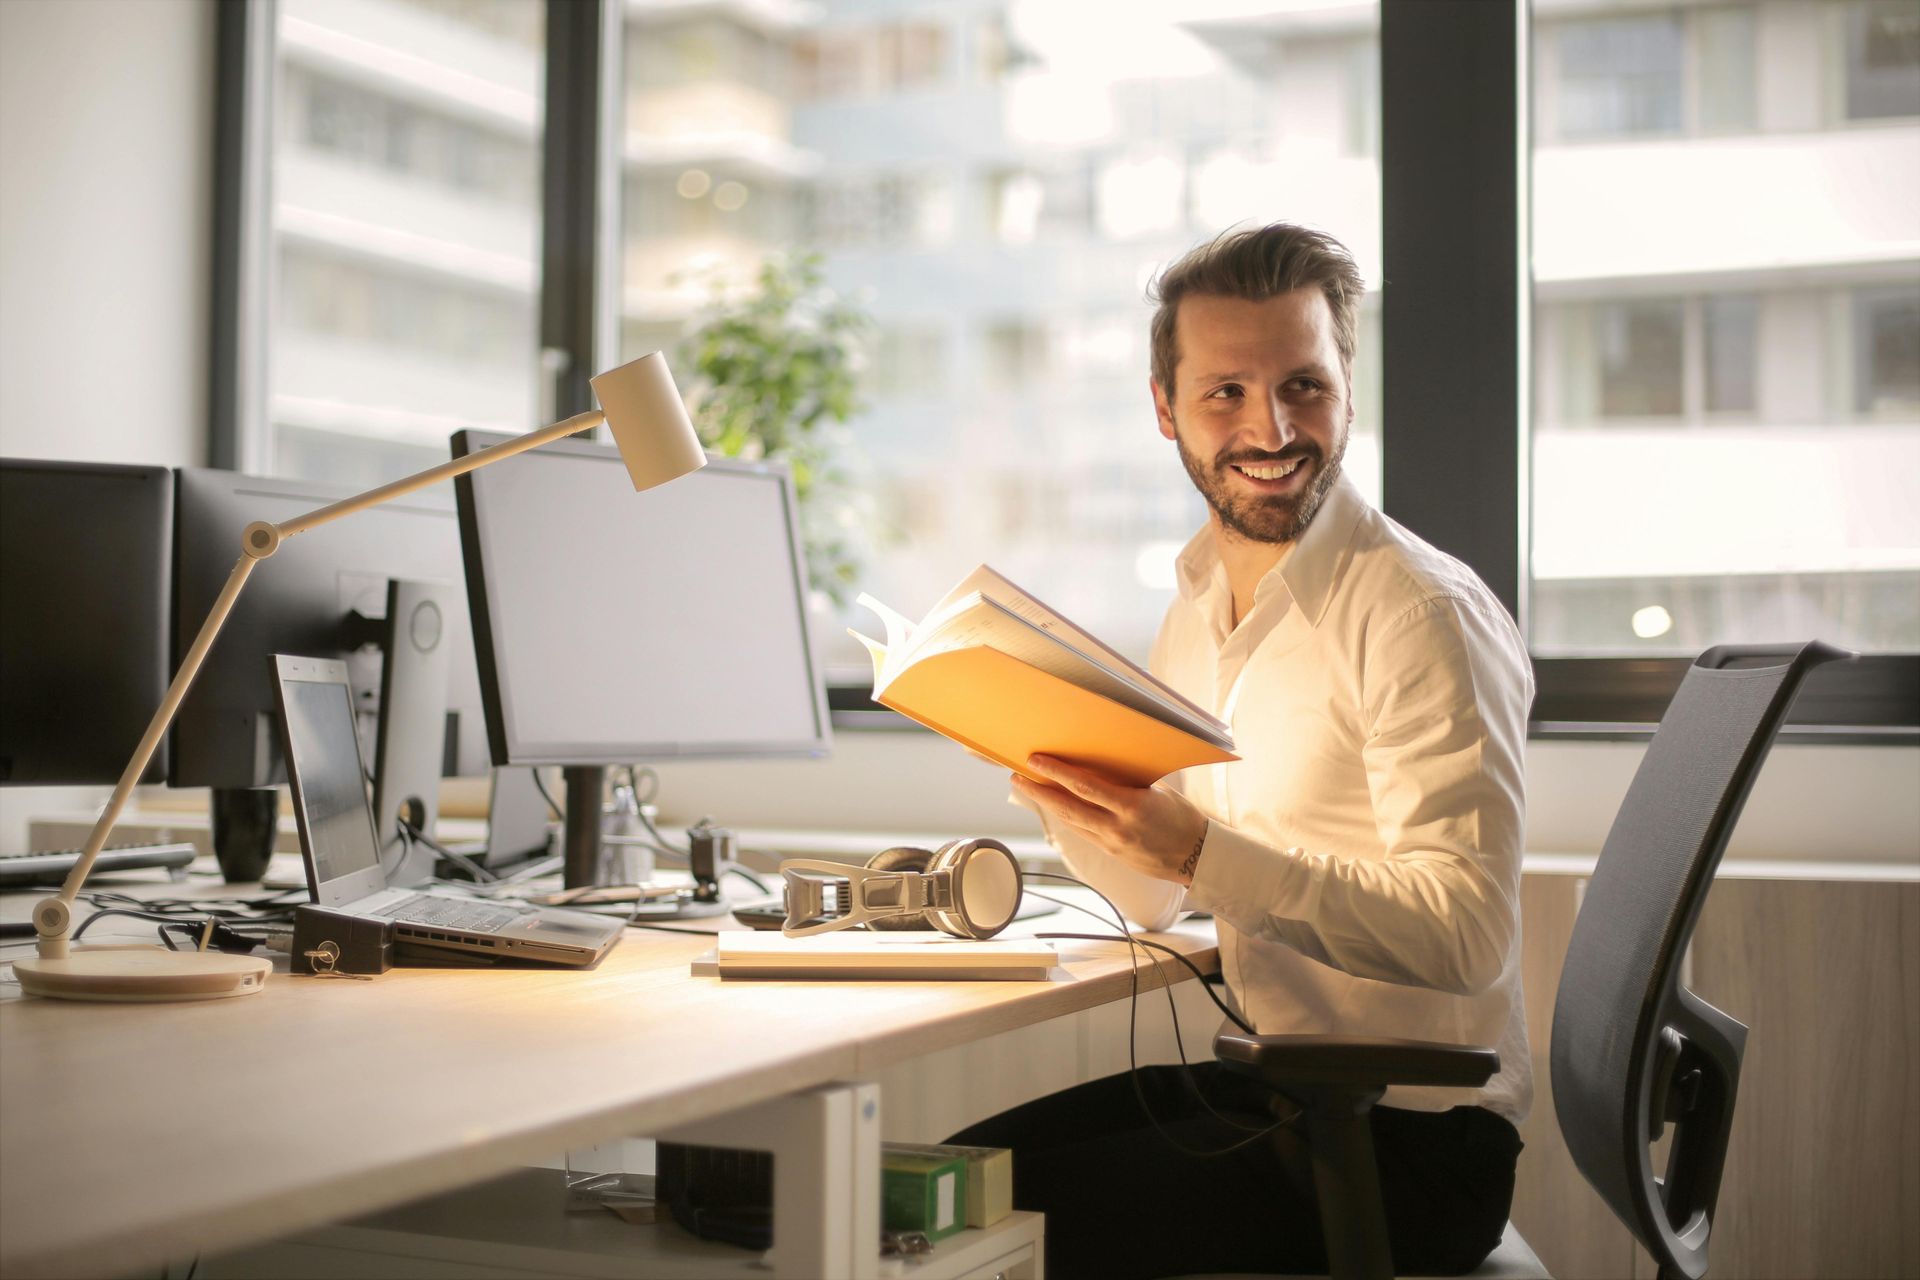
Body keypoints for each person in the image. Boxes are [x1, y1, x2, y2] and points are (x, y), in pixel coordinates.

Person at [949, 223, 1533, 1278]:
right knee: (938, 1181)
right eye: (1226, 392)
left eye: (1303, 384)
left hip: (1409, 1144)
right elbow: (1155, 899)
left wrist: (1198, 849)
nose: (1271, 426)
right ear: (1164, 408)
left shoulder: (1418, 612)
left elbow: (1466, 932)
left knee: (956, 1234)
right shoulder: (1201, 601)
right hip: (1279, 1088)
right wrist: (1060, 783)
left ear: (1347, 385)